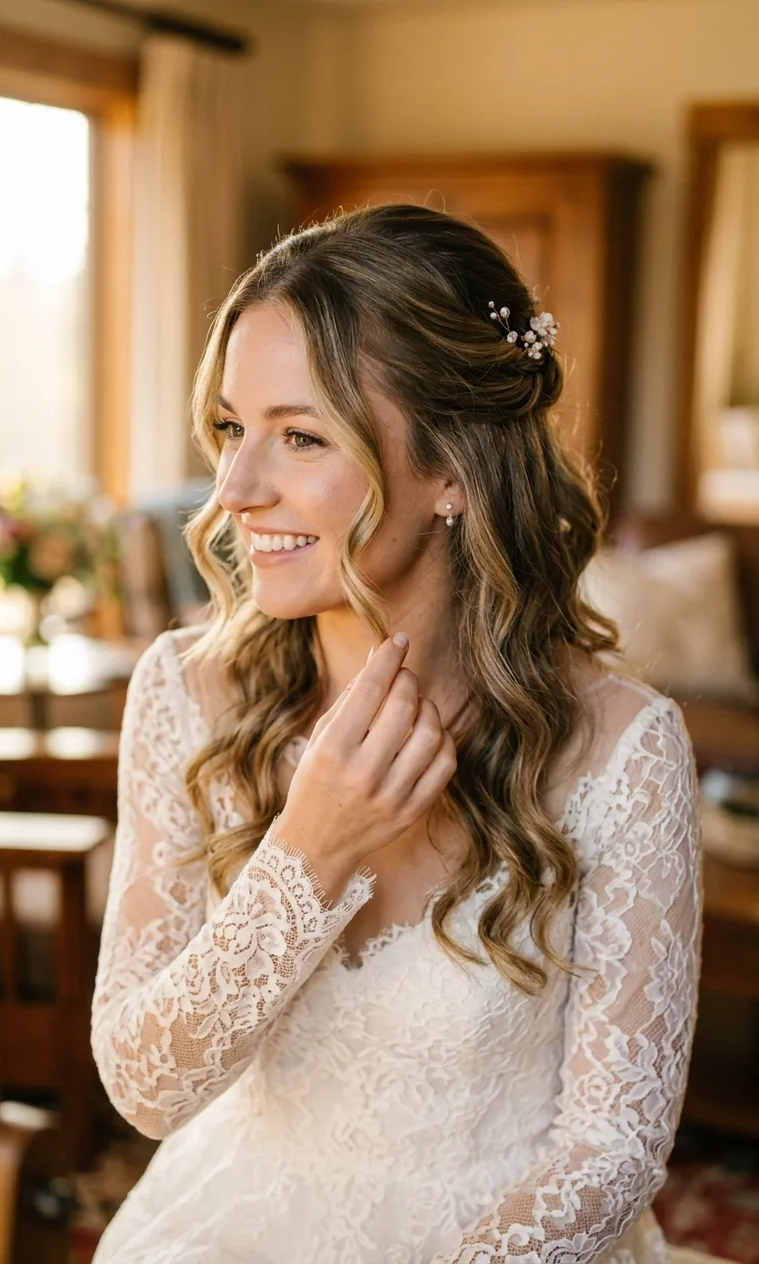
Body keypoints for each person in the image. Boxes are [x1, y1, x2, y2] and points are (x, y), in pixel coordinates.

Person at [91, 204, 701, 1263]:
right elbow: (145, 1090)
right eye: (232, 428)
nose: (234, 490)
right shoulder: (186, 694)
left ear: (451, 470)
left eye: (301, 436)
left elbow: (612, 1147)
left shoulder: (621, 747)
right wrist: (308, 851)